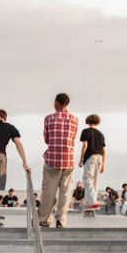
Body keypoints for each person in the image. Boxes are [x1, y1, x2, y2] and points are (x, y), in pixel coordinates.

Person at [39, 93, 79, 228]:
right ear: (67, 104)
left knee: (48, 191)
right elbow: (72, 140)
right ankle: (61, 220)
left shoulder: (49, 118)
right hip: (68, 160)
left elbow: (46, 139)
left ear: (56, 102)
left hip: (52, 160)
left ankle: (44, 219)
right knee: (65, 192)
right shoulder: (74, 119)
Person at [79, 114, 106, 213]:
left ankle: (93, 202)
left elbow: (85, 145)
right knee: (95, 180)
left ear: (88, 121)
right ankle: (92, 202)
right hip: (100, 157)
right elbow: (104, 151)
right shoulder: (100, 134)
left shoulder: (86, 131)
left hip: (90, 156)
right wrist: (103, 164)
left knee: (87, 179)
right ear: (97, 122)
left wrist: (81, 158)